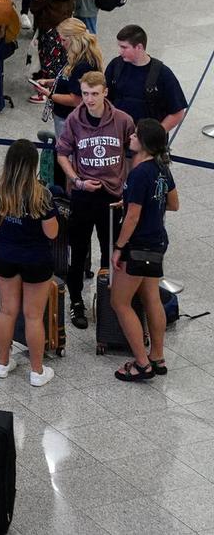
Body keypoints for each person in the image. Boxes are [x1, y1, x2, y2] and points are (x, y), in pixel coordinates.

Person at [56, 71, 134, 329]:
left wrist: (127, 185)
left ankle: (106, 299)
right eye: (85, 93)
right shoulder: (73, 121)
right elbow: (63, 154)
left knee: (109, 251)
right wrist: (77, 181)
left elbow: (133, 152)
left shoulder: (123, 120)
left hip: (112, 197)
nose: (88, 99)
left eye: (94, 94)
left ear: (105, 93)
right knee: (78, 252)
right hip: (83, 195)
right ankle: (76, 300)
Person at [0, 140, 59, 388]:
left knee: (6, 310)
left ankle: (2, 364)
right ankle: (37, 371)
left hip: (6, 255)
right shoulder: (43, 194)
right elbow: (52, 234)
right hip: (36, 260)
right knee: (33, 316)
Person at [110, 119, 177, 382]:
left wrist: (118, 248)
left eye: (136, 135)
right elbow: (173, 203)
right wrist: (142, 202)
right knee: (151, 297)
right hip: (158, 241)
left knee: (120, 301)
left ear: (146, 143)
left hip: (138, 246)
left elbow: (132, 218)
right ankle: (157, 356)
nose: (131, 138)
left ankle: (141, 363)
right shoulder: (162, 168)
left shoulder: (139, 173)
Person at [105, 25, 189, 130]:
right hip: (118, 135)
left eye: (124, 47)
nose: (120, 51)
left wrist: (155, 136)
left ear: (139, 47)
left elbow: (178, 112)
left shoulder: (162, 73)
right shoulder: (115, 66)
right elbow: (103, 98)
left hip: (146, 142)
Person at [34, 18, 101, 139]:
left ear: (74, 40)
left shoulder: (83, 65)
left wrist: (49, 95)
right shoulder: (75, 56)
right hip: (64, 116)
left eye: (64, 40)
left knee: (65, 151)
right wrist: (49, 82)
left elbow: (76, 99)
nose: (61, 43)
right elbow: (68, 80)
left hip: (70, 119)